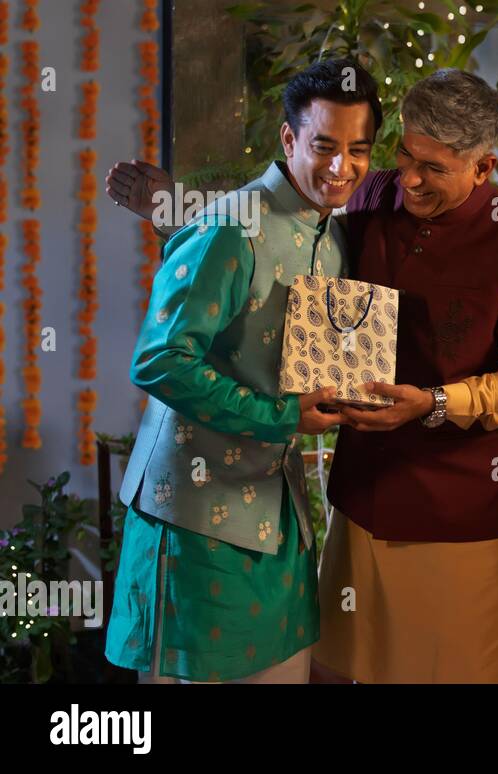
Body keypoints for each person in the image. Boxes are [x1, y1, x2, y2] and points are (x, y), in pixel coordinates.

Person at [102, 58, 380, 683]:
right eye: (325, 146)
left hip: (279, 516)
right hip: (195, 515)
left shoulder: (331, 237)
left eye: (358, 150)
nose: (342, 168)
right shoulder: (232, 224)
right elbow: (158, 360)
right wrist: (283, 415)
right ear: (288, 140)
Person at [315, 68, 498, 684]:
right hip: (364, 493)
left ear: (485, 168)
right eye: (406, 154)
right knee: (354, 668)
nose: (411, 179)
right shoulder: (368, 200)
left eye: (435, 168)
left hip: (462, 510)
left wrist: (432, 403)